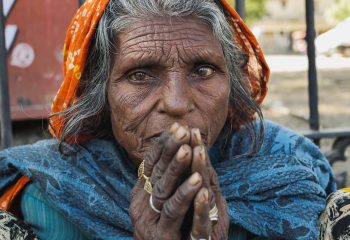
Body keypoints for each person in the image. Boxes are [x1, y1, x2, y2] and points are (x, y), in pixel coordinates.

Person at [0, 0, 335, 239]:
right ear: (98, 91)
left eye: (203, 70)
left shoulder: (297, 173)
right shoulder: (46, 194)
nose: (176, 103)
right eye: (140, 74)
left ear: (233, 85)